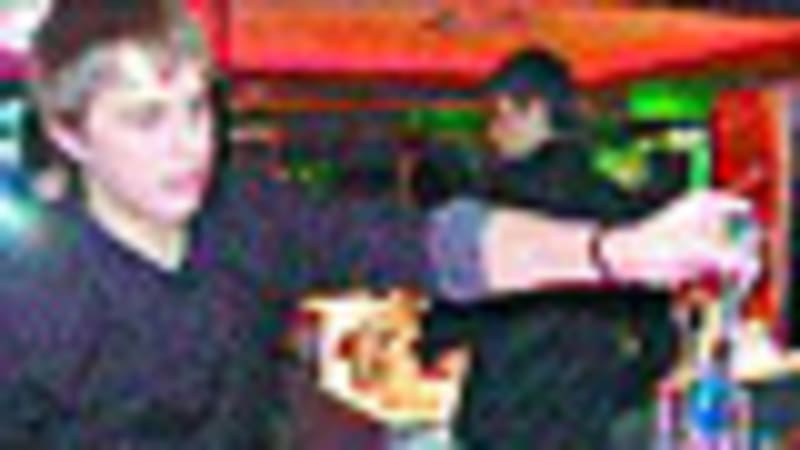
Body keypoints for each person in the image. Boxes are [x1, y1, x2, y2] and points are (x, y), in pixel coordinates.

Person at [0, 1, 760, 448]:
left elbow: (431, 245)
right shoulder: (27, 299)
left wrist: (618, 251)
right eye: (145, 119)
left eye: (197, 108)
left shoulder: (248, 214)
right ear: (70, 135)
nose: (189, 144)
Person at [415, 48, 756, 449]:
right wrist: (606, 397)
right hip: (583, 427)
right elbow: (660, 344)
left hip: (499, 421)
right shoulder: (615, 204)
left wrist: (431, 345)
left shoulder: (497, 204)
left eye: (498, 116)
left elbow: (451, 310)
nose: (492, 134)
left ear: (532, 110)